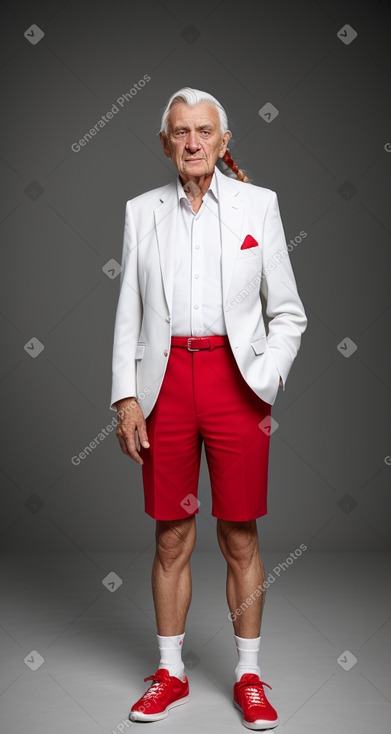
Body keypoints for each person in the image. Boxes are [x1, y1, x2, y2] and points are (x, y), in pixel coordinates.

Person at [110, 87, 307, 730]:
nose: (192, 143)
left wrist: (265, 378)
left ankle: (248, 677)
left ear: (223, 142)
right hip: (166, 382)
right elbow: (130, 314)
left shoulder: (261, 205)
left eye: (203, 132)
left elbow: (288, 312)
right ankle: (171, 674)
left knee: (239, 533)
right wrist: (126, 394)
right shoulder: (143, 211)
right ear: (165, 142)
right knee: (171, 536)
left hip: (236, 383)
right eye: (179, 132)